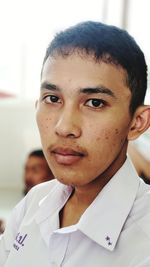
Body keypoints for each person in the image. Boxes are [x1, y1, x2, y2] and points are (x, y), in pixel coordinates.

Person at [0, 21, 150, 267]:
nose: (64, 127)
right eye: (52, 98)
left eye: (95, 103)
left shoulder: (143, 245)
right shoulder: (34, 203)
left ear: (137, 122)